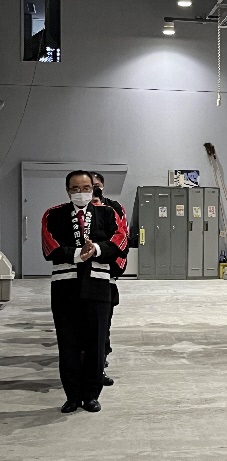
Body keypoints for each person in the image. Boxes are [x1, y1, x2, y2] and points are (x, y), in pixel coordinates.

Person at [42, 170, 128, 413]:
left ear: (94, 188)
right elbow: (50, 247)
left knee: (96, 341)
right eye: (75, 188)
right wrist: (79, 254)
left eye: (86, 187)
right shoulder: (54, 214)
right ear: (68, 190)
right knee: (67, 341)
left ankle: (91, 394)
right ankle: (72, 395)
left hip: (98, 285)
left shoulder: (107, 213)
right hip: (65, 286)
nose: (81, 193)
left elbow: (120, 242)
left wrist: (98, 250)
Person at [91, 172, 128, 387]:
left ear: (102, 186)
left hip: (108, 273)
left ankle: (100, 361)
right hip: (82, 275)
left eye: (96, 185)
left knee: (103, 323)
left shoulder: (113, 209)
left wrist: (115, 265)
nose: (93, 189)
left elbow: (120, 237)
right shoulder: (78, 213)